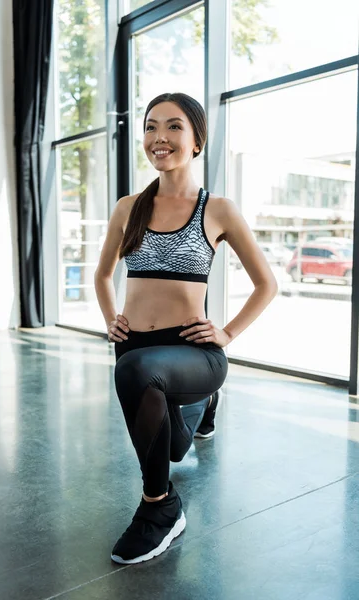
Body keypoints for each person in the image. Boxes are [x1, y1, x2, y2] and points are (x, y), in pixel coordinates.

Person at [94, 92, 278, 565]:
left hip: (193, 352)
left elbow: (266, 284)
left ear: (196, 140)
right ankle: (202, 408)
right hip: (136, 347)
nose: (160, 137)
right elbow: (101, 274)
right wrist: (111, 318)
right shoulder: (128, 207)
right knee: (174, 448)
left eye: (174, 127)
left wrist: (228, 334)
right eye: (151, 127)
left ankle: (160, 509)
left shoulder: (217, 209)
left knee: (137, 373)